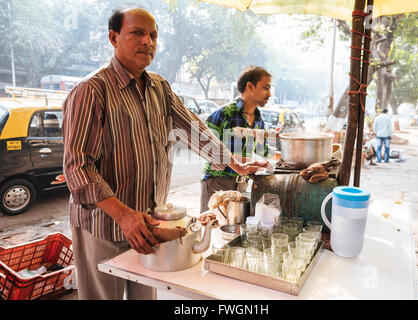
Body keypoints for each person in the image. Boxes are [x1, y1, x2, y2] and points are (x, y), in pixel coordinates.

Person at [62, 8, 267, 300]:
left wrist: (236, 164)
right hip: (102, 224)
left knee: (145, 295)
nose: (148, 41)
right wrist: (124, 216)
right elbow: (77, 167)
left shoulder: (159, 86)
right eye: (137, 33)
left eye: (153, 35)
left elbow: (195, 131)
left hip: (150, 222)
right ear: (114, 37)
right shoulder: (91, 90)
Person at [200, 66, 272, 213]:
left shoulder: (259, 120)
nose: (269, 94)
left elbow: (263, 152)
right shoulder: (225, 114)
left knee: (234, 230)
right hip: (217, 183)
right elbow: (205, 147)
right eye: (265, 88)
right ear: (250, 86)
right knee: (212, 227)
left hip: (242, 185)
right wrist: (239, 163)